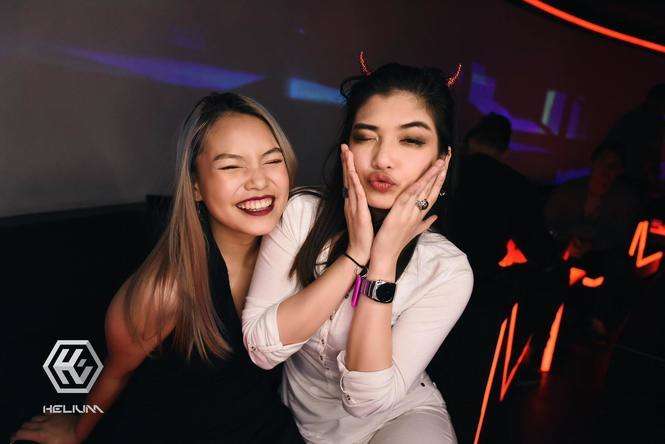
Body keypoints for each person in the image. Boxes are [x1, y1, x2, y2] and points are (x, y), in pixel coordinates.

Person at [11, 92, 303, 443]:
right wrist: (76, 431)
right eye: (231, 166)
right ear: (195, 186)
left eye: (272, 161)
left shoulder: (299, 253)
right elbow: (116, 374)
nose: (258, 181)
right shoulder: (164, 290)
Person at [242, 61, 473, 443]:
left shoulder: (446, 268)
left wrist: (382, 261)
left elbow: (367, 401)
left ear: (442, 159)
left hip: (398, 417)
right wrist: (355, 255)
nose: (382, 158)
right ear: (347, 146)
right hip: (295, 422)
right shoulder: (302, 215)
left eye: (411, 140)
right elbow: (262, 349)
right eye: (366, 137)